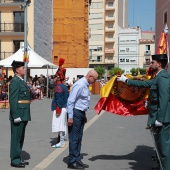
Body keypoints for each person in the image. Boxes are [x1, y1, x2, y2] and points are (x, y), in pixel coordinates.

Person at [117, 54, 170, 170]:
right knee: (160, 147)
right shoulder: (158, 76)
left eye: (152, 62)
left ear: (159, 64)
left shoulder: (163, 77)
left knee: (164, 149)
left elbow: (164, 98)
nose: (151, 64)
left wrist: (160, 119)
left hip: (163, 118)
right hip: (158, 116)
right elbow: (145, 84)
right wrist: (126, 80)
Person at [67, 70, 98, 169]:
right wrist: (70, 117)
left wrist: (83, 115)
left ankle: (77, 159)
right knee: (74, 138)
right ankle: (72, 161)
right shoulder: (80, 85)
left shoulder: (85, 84)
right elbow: (71, 101)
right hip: (75, 113)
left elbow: (81, 102)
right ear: (90, 76)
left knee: (79, 138)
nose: (95, 81)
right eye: (95, 79)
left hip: (80, 113)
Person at [9, 60, 31, 168]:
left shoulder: (21, 81)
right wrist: (15, 115)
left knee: (20, 137)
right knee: (16, 137)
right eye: (23, 68)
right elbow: (13, 100)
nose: (25, 69)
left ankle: (18, 157)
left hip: (24, 113)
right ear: (17, 70)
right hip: (19, 114)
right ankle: (15, 160)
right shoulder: (15, 81)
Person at [51, 58, 69, 148]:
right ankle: (61, 141)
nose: (53, 79)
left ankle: (61, 142)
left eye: (55, 77)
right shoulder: (64, 86)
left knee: (60, 125)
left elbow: (59, 100)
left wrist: (58, 109)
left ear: (58, 77)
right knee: (62, 125)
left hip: (60, 108)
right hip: (64, 107)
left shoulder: (58, 87)